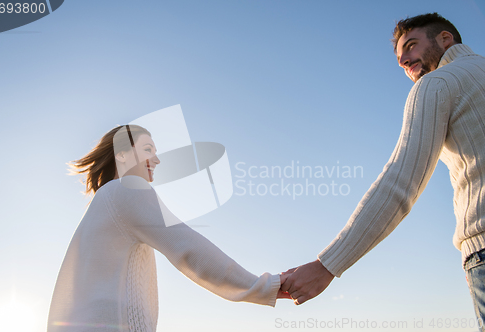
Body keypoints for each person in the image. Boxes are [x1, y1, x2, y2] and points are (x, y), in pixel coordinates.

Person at [281, 12, 485, 328]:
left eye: (412, 45)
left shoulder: (436, 83)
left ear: (445, 39)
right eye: (400, 57)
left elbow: (401, 182)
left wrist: (327, 266)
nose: (404, 60)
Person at [47, 124, 290, 332]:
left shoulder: (103, 200)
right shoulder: (127, 189)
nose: (157, 159)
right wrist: (264, 286)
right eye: (147, 150)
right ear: (121, 154)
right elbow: (188, 249)